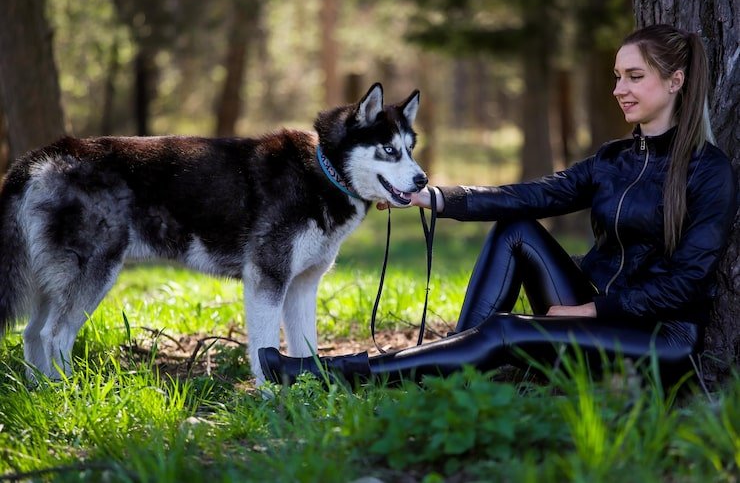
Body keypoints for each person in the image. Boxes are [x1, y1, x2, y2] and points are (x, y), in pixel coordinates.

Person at [258, 24, 737, 386]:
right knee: (515, 228)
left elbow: (687, 283)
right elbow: (528, 196)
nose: (618, 89)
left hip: (657, 339)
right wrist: (432, 198)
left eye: (634, 77)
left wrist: (593, 310)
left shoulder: (708, 171)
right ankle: (450, 369)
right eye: (616, 77)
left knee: (506, 330)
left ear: (675, 81)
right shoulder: (614, 159)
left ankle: (333, 374)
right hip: (593, 308)